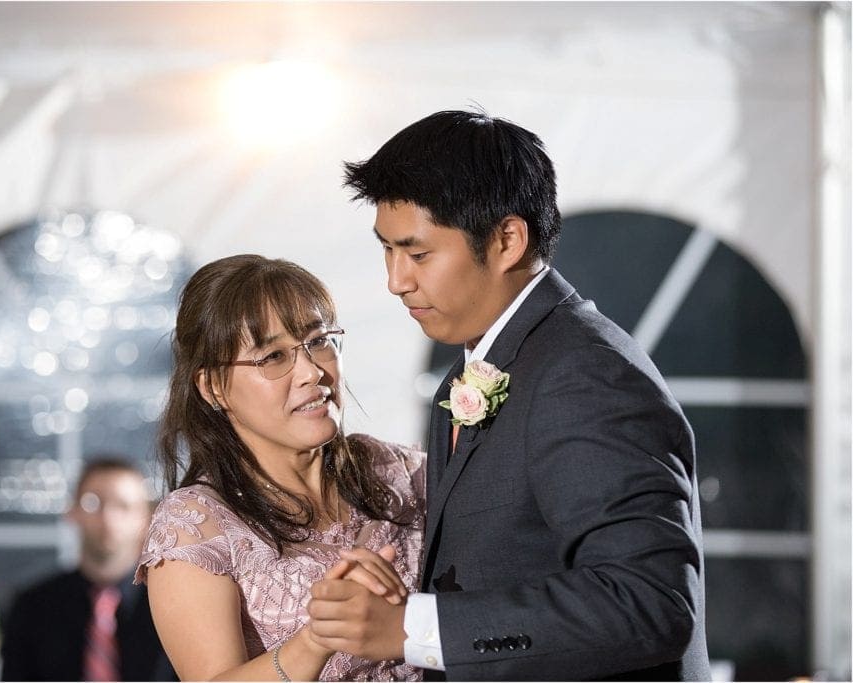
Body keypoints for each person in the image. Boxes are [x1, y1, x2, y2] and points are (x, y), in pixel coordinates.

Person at [306, 109, 712, 681]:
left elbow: (648, 604)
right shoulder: (470, 372)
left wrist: (415, 629)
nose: (396, 280)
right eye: (387, 251)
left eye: (418, 254)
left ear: (506, 240)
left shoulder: (584, 372)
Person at [134, 254, 426, 681]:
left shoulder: (400, 470)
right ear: (213, 387)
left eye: (319, 340)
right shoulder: (194, 524)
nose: (311, 371)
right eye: (273, 356)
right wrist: (316, 639)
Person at [1, 457, 175, 681]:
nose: (108, 517)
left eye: (123, 506)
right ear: (72, 511)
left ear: (146, 519)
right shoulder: (32, 606)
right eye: (93, 503)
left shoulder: (170, 607)